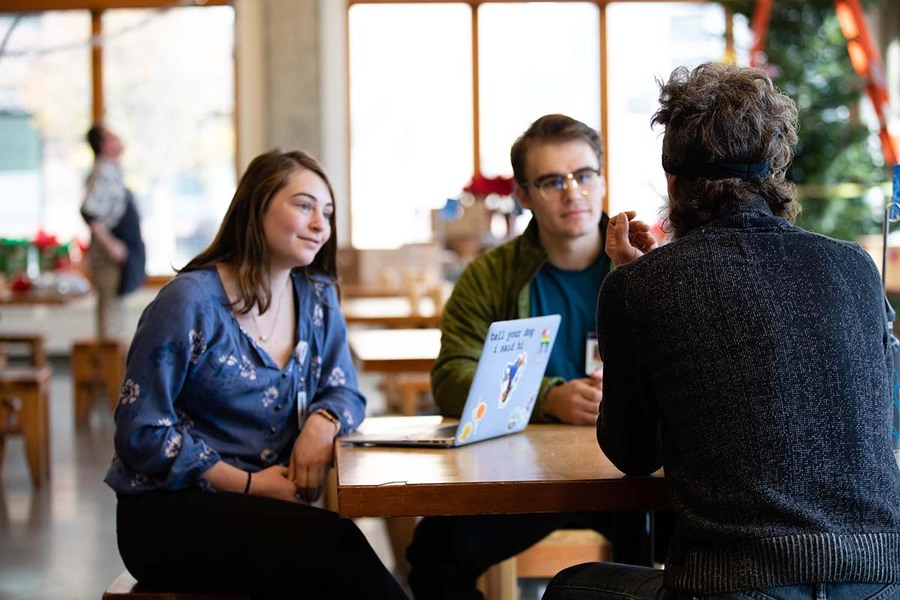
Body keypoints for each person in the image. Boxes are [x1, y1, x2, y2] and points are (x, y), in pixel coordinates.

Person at [543, 62, 900, 600]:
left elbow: (634, 456)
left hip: (734, 584)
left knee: (572, 588)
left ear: (672, 181)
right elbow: (884, 412)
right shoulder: (854, 270)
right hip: (881, 581)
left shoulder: (639, 287)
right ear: (777, 169)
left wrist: (638, 282)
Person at [104, 149, 407, 599]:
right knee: (335, 545)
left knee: (329, 551)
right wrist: (250, 484)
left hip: (269, 506)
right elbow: (141, 431)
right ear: (256, 206)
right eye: (304, 205)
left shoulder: (318, 298)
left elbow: (344, 390)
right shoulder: (190, 302)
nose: (321, 225)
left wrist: (322, 424)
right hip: (170, 512)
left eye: (327, 212)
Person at [406, 114, 654, 600]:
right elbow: (451, 377)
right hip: (534, 476)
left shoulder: (645, 262)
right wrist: (549, 397)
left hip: (632, 470)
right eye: (550, 182)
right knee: (434, 554)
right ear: (523, 195)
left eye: (583, 175)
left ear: (602, 179)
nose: (572, 193)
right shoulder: (489, 276)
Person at [82, 123, 146, 340]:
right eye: (112, 137)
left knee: (116, 318)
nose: (119, 140)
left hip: (117, 259)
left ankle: (116, 370)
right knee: (110, 323)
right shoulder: (103, 172)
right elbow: (89, 211)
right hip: (108, 260)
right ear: (103, 145)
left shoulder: (113, 170)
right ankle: (110, 372)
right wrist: (111, 245)